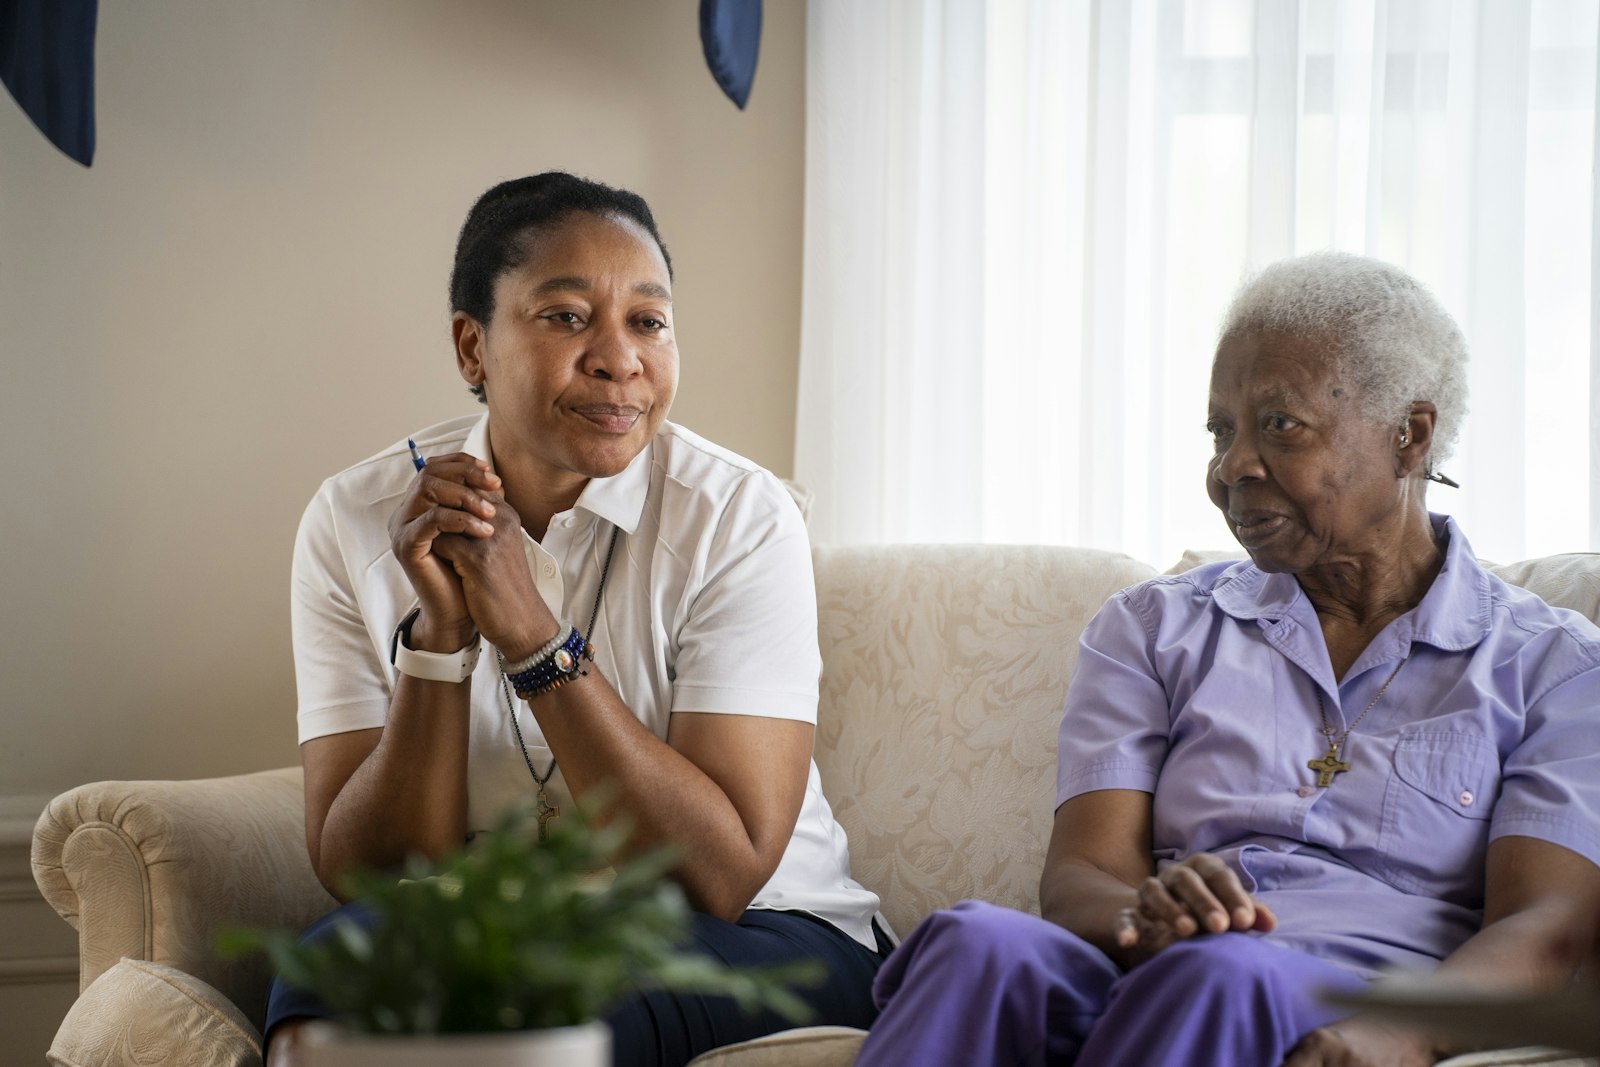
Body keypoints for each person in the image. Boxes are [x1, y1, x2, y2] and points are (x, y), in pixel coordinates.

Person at [853, 252, 1600, 1067]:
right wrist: (1145, 909)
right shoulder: (1152, 626)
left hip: (1337, 999)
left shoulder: (1553, 667)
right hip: (1148, 970)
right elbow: (1081, 874)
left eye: (1280, 424)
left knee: (1220, 973)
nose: (1230, 466)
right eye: (1221, 430)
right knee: (976, 942)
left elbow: (1544, 928)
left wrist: (1403, 1031)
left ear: (1409, 435)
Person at [266, 173, 886, 1066]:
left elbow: (721, 871)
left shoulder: (739, 518)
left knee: (556, 992)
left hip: (770, 933)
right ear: (472, 347)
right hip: (508, 922)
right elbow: (368, 871)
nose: (618, 357)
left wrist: (532, 636)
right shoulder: (353, 519)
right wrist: (438, 646)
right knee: (327, 975)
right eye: (565, 316)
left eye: (648, 320)